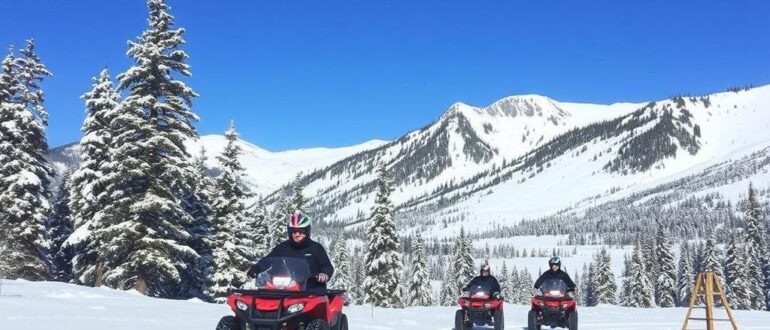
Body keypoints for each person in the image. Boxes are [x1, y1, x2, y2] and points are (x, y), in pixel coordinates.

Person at [247, 212, 334, 290]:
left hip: (311, 287)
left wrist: (324, 274)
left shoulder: (316, 248)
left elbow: (327, 266)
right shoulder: (282, 247)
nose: (297, 234)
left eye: (301, 232)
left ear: (307, 232)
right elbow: (268, 259)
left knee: (316, 301)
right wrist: (256, 268)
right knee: (263, 297)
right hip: (284, 288)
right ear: (290, 232)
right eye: (294, 231)